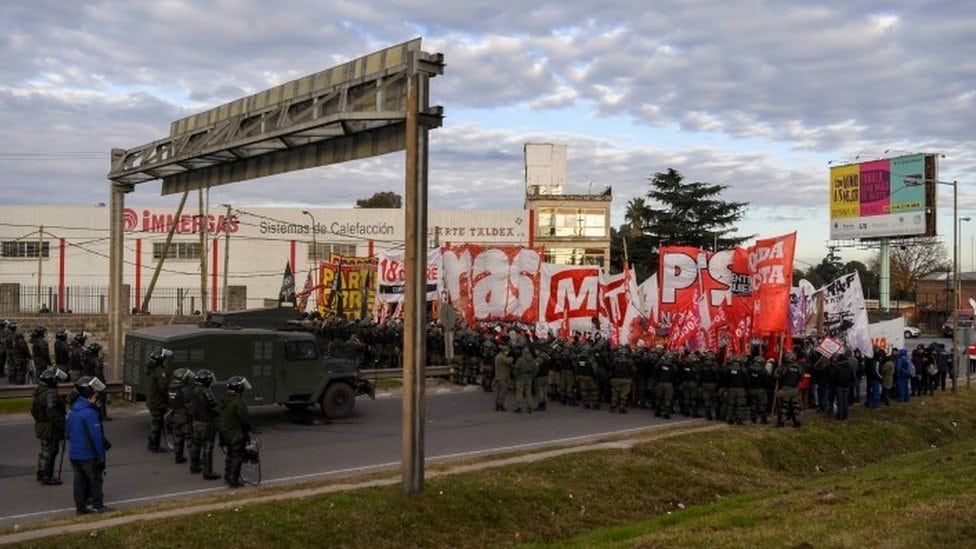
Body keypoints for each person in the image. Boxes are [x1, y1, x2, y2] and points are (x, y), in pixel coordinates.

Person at [66, 376, 112, 514]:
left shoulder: (73, 411)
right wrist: (101, 457)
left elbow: (67, 432)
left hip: (74, 453)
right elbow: (96, 437)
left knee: (79, 481)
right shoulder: (90, 413)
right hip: (88, 454)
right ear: (90, 396)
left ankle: (80, 507)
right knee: (96, 480)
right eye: (95, 396)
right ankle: (99, 506)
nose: (96, 398)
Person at [32, 366, 68, 485]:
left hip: (42, 425)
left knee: (44, 450)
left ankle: (41, 472)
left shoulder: (39, 390)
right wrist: (63, 425)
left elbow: (34, 411)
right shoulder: (50, 394)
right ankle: (47, 476)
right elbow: (53, 413)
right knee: (50, 451)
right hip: (49, 427)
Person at [219, 375, 253, 488]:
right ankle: (233, 480)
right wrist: (249, 429)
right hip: (236, 433)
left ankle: (227, 476)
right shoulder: (239, 402)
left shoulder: (225, 398)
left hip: (225, 432)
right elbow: (244, 419)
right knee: (237, 456)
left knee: (229, 455)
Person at [188, 369, 222, 480]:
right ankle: (207, 472)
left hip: (195, 422)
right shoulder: (206, 392)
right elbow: (215, 407)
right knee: (208, 446)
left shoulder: (193, 390)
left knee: (196, 445)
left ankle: (194, 466)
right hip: (206, 422)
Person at [144, 348, 173, 453]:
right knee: (157, 423)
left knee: (155, 422)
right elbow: (163, 387)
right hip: (157, 401)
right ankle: (153, 445)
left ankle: (152, 442)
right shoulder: (159, 371)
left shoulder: (150, 368)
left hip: (152, 400)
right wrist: (168, 401)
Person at [166, 367, 195, 464]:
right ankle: (194, 460)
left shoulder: (171, 388)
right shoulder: (184, 389)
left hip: (174, 415)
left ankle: (178, 457)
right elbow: (189, 404)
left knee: (177, 438)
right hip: (184, 416)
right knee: (190, 439)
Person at [512, 346, 538, 413]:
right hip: (529, 377)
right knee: (528, 392)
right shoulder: (532, 360)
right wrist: (532, 375)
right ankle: (529, 407)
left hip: (521, 377)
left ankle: (519, 407)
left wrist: (516, 375)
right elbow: (536, 368)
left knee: (519, 393)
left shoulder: (520, 360)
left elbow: (516, 368)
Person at [493, 340, 513, 411]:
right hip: (503, 377)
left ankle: (497, 404)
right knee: (503, 392)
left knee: (498, 392)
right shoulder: (502, 357)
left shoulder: (497, 356)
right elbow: (509, 361)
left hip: (498, 376)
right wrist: (511, 358)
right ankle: (501, 404)